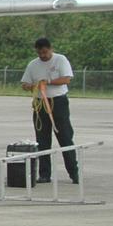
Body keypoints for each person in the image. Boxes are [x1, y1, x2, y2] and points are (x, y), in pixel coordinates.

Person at [21, 36, 79, 184]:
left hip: (58, 102)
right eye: (40, 53)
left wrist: (48, 82)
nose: (42, 56)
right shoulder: (33, 65)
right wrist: (32, 86)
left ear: (51, 49)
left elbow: (66, 79)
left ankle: (74, 173)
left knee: (65, 138)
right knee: (42, 140)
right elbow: (25, 83)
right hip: (40, 104)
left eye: (45, 52)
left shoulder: (60, 60)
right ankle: (44, 174)